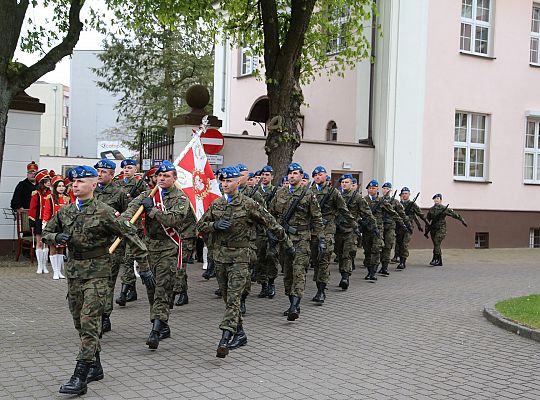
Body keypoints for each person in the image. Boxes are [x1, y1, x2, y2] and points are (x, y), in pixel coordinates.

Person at [42, 165, 154, 395]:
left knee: (90, 321)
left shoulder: (104, 211)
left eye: (81, 182)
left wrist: (144, 268)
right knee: (80, 323)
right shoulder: (66, 211)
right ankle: (96, 366)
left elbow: (130, 233)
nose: (75, 185)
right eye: (73, 182)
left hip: (98, 273)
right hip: (74, 273)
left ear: (93, 185)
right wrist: (57, 236)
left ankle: (80, 376)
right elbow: (46, 232)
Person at [197, 166, 293, 358]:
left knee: (234, 299)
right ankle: (240, 333)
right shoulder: (216, 205)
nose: (225, 184)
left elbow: (271, 222)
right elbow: (200, 225)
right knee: (227, 298)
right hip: (221, 257)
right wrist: (214, 225)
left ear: (238, 182)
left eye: (229, 180)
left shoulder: (249, 204)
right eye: (223, 181)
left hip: (241, 256)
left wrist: (287, 244)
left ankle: (225, 338)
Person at [124, 160, 189, 350]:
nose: (162, 178)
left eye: (166, 176)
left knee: (162, 288)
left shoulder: (181, 198)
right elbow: (130, 212)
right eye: (159, 175)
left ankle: (155, 330)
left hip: (169, 247)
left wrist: (152, 210)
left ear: (174, 178)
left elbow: (174, 220)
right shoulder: (148, 195)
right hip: (149, 248)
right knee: (152, 289)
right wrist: (124, 222)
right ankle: (163, 324)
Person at [269, 162, 324, 319]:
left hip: (301, 239)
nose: (292, 176)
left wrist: (320, 239)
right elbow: (271, 214)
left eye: (295, 173)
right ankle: (291, 301)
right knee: (287, 274)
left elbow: (317, 219)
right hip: (284, 240)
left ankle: (295, 306)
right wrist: (272, 233)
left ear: (301, 175)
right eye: (290, 174)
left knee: (299, 272)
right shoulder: (280, 193)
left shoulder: (308, 195)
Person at [93, 159, 129, 333]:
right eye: (98, 171)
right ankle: (94, 314)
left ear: (112, 174)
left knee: (107, 282)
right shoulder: (90, 190)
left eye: (103, 172)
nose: (99, 174)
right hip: (92, 245)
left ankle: (104, 316)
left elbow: (128, 218)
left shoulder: (119, 192)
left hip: (112, 245)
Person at [309, 166, 354, 303]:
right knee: (315, 260)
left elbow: (343, 209)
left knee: (324, 257)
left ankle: (321, 291)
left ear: (325, 176)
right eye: (315, 175)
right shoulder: (308, 192)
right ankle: (319, 287)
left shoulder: (333, 192)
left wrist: (354, 225)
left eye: (320, 174)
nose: (318, 177)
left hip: (328, 229)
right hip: (313, 230)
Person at [334, 174, 376, 289]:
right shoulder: (336, 195)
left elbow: (367, 212)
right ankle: (343, 272)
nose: (344, 184)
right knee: (339, 253)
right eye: (342, 182)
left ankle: (345, 277)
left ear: (352, 184)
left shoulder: (357, 197)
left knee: (347, 254)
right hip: (338, 230)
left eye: (346, 182)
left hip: (350, 230)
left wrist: (374, 226)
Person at [117, 159, 148, 306]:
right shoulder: (118, 183)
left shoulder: (141, 184)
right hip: (119, 225)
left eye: (129, 167)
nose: (126, 170)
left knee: (129, 258)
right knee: (123, 259)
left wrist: (134, 199)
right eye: (124, 167)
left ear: (135, 169)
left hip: (134, 227)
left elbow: (146, 203)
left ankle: (124, 292)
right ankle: (132, 290)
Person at [363, 180, 398, 281]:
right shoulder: (363, 200)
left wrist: (401, 222)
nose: (371, 190)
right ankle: (369, 271)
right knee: (367, 251)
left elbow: (392, 212)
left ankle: (373, 272)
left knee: (376, 250)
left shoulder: (381, 201)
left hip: (377, 229)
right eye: (369, 188)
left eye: (373, 188)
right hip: (366, 229)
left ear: (377, 189)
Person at [42, 175, 72, 280]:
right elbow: (47, 212)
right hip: (53, 226)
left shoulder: (67, 198)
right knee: (53, 248)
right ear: (55, 187)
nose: (61, 188)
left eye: (63, 185)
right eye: (59, 186)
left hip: (63, 226)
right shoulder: (50, 198)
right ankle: (55, 272)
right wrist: (45, 225)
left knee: (61, 249)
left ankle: (59, 271)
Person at [257, 165, 280, 298]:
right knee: (260, 257)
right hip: (259, 230)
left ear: (272, 177)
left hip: (272, 229)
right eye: (263, 175)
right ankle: (263, 284)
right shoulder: (255, 191)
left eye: (267, 175)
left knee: (272, 256)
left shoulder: (277, 191)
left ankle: (271, 283)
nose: (264, 177)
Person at [426, 194, 468, 266]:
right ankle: (439, 261)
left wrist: (462, 220)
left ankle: (436, 259)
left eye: (438, 198)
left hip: (441, 228)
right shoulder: (431, 209)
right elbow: (427, 219)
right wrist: (426, 230)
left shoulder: (444, 208)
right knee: (436, 244)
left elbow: (454, 214)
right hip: (433, 229)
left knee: (436, 241)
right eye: (435, 198)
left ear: (441, 200)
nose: (436, 200)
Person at [379, 182, 408, 276]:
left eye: (388, 189)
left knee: (388, 246)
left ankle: (385, 267)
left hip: (390, 227)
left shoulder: (395, 202)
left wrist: (405, 224)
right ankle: (377, 265)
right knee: (379, 247)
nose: (386, 190)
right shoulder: (378, 200)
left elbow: (401, 213)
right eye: (384, 188)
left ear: (390, 190)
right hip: (380, 226)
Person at [395, 187, 428, 270]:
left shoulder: (412, 204)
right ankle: (398, 257)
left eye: (406, 193)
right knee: (399, 244)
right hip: (399, 227)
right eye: (403, 193)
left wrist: (427, 223)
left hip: (408, 227)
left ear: (409, 194)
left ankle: (402, 262)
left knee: (405, 244)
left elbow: (419, 214)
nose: (404, 195)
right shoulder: (397, 204)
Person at [29, 169, 52, 274]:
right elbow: (32, 208)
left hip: (48, 221)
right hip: (38, 220)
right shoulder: (36, 193)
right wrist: (32, 222)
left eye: (49, 181)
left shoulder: (51, 193)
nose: (49, 183)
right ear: (42, 182)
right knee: (39, 243)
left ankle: (45, 265)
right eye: (47, 181)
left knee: (46, 243)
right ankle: (39, 266)